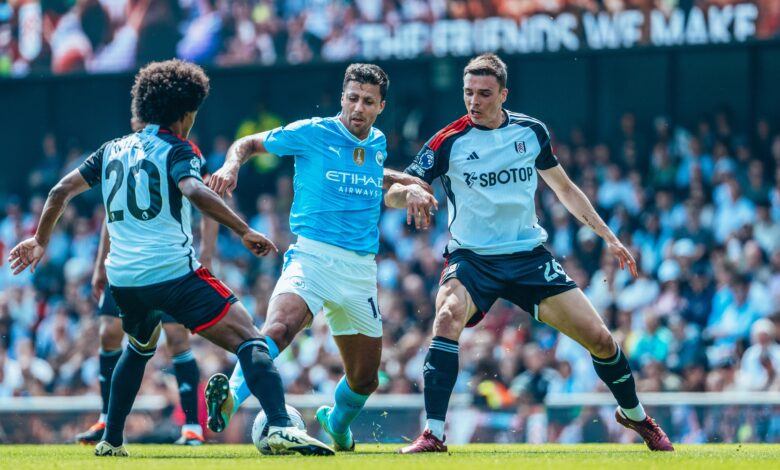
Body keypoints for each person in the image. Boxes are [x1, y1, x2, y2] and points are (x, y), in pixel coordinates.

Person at [8, 59, 334, 457]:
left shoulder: (110, 150)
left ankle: (111, 439)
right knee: (251, 338)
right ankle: (281, 426)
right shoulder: (178, 148)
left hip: (125, 283)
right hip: (173, 275)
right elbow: (195, 192)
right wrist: (244, 230)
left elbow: (59, 191)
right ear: (185, 114)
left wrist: (39, 240)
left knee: (140, 346)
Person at [386, 53, 674, 453]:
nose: (474, 101)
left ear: (503, 93)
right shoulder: (447, 140)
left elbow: (565, 189)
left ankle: (636, 416)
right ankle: (433, 433)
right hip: (472, 259)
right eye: (468, 92)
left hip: (528, 257)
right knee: (446, 316)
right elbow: (396, 191)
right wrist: (411, 190)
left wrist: (608, 236)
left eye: (485, 94)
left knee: (602, 341)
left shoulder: (531, 131)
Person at [205, 63, 435, 452]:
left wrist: (410, 186)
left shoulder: (376, 142)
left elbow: (375, 173)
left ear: (381, 106)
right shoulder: (313, 132)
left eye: (367, 101)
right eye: (352, 99)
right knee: (278, 328)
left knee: (365, 380)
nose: (358, 108)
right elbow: (247, 144)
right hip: (311, 257)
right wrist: (231, 165)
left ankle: (336, 423)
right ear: (342, 98)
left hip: (360, 270)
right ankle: (229, 399)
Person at [74, 118, 218, 446]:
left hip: (167, 264)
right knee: (108, 332)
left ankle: (192, 426)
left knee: (177, 337)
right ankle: (105, 420)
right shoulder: (121, 152)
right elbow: (114, 216)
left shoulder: (179, 152)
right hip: (125, 266)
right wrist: (100, 266)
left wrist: (206, 258)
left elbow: (208, 203)